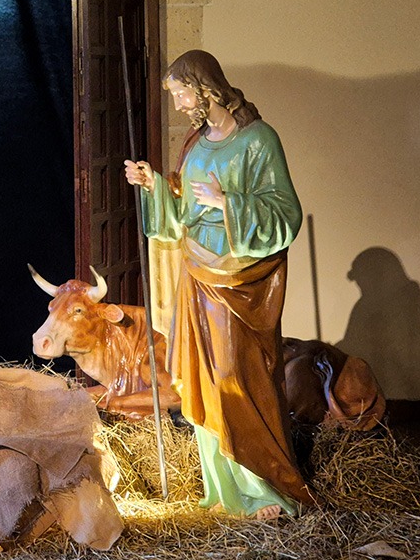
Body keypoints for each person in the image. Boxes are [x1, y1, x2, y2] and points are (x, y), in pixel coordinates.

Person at [124, 50, 312, 519]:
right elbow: (182, 216)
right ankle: (226, 492)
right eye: (175, 95)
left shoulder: (258, 141)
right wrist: (155, 188)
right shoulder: (196, 143)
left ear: (205, 87)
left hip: (240, 282)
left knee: (235, 377)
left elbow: (285, 213)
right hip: (197, 276)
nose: (180, 103)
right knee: (203, 384)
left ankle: (263, 487)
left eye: (182, 92)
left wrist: (231, 202)